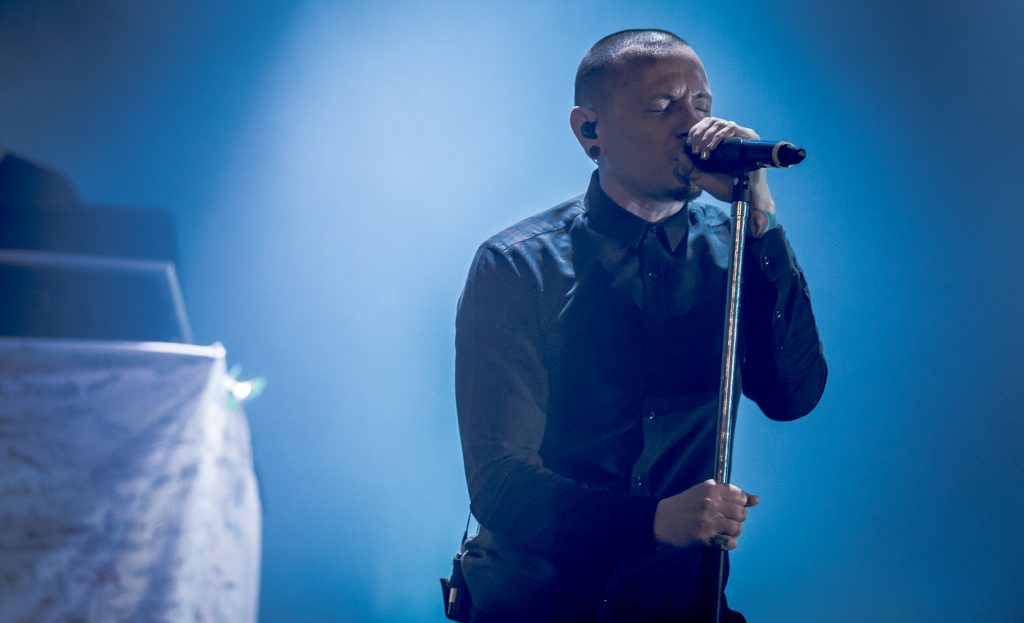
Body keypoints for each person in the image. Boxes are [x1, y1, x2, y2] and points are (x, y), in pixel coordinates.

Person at [454, 29, 827, 623]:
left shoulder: (736, 249)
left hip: (679, 605)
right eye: (662, 106)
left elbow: (793, 397)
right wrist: (652, 521)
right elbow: (500, 482)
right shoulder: (517, 265)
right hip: (541, 604)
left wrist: (761, 219)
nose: (693, 125)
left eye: (701, 104)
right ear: (590, 130)